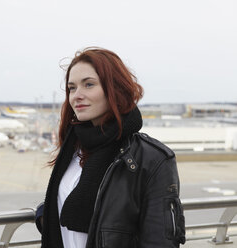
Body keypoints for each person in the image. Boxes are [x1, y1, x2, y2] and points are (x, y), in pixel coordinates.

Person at [35, 47, 186, 248]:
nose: (76, 96)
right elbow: (78, 204)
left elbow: (158, 241)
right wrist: (46, 212)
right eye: (72, 88)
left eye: (89, 84)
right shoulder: (73, 149)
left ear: (115, 89)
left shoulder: (153, 159)